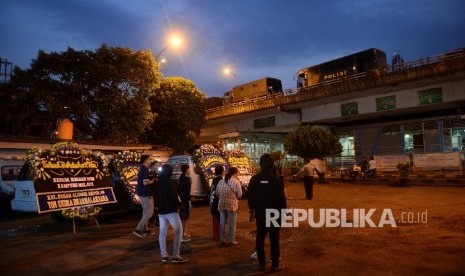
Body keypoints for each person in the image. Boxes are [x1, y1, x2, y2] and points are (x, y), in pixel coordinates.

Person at [248, 154, 286, 272]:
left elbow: (250, 196)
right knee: (274, 240)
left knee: (260, 239)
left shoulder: (254, 179)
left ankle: (262, 264)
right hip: (273, 214)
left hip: (260, 214)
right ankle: (275, 265)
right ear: (272, 165)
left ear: (261, 164)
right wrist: (282, 214)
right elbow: (281, 200)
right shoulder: (276, 180)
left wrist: (252, 210)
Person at [154, 164, 188, 263]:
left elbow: (155, 195)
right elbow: (174, 196)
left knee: (162, 233)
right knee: (178, 231)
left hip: (161, 212)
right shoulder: (170, 183)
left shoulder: (157, 183)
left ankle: (164, 255)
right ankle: (175, 255)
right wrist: (180, 205)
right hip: (171, 211)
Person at [216, 167, 242, 246]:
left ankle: (222, 239)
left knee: (222, 223)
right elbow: (240, 195)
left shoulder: (221, 181)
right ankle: (231, 240)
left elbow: (217, 193)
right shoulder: (236, 182)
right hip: (232, 205)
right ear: (235, 173)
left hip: (222, 204)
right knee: (232, 223)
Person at [133, 155, 155, 238]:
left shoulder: (143, 168)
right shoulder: (144, 169)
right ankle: (138, 229)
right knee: (149, 212)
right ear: (146, 160)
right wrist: (152, 181)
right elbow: (145, 182)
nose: (150, 161)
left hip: (142, 193)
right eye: (149, 159)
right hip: (145, 193)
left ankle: (145, 229)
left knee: (145, 212)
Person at [209, 164, 224, 241]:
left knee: (215, 219)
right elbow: (220, 192)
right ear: (222, 171)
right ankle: (218, 236)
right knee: (219, 219)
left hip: (212, 201)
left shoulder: (214, 178)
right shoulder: (220, 179)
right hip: (217, 202)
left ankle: (215, 235)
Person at [178, 164, 192, 242]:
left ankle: (184, 232)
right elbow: (187, 192)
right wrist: (189, 201)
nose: (189, 170)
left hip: (181, 200)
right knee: (184, 218)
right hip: (185, 200)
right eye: (189, 169)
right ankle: (182, 235)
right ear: (186, 170)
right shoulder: (186, 179)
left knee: (184, 217)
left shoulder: (180, 178)